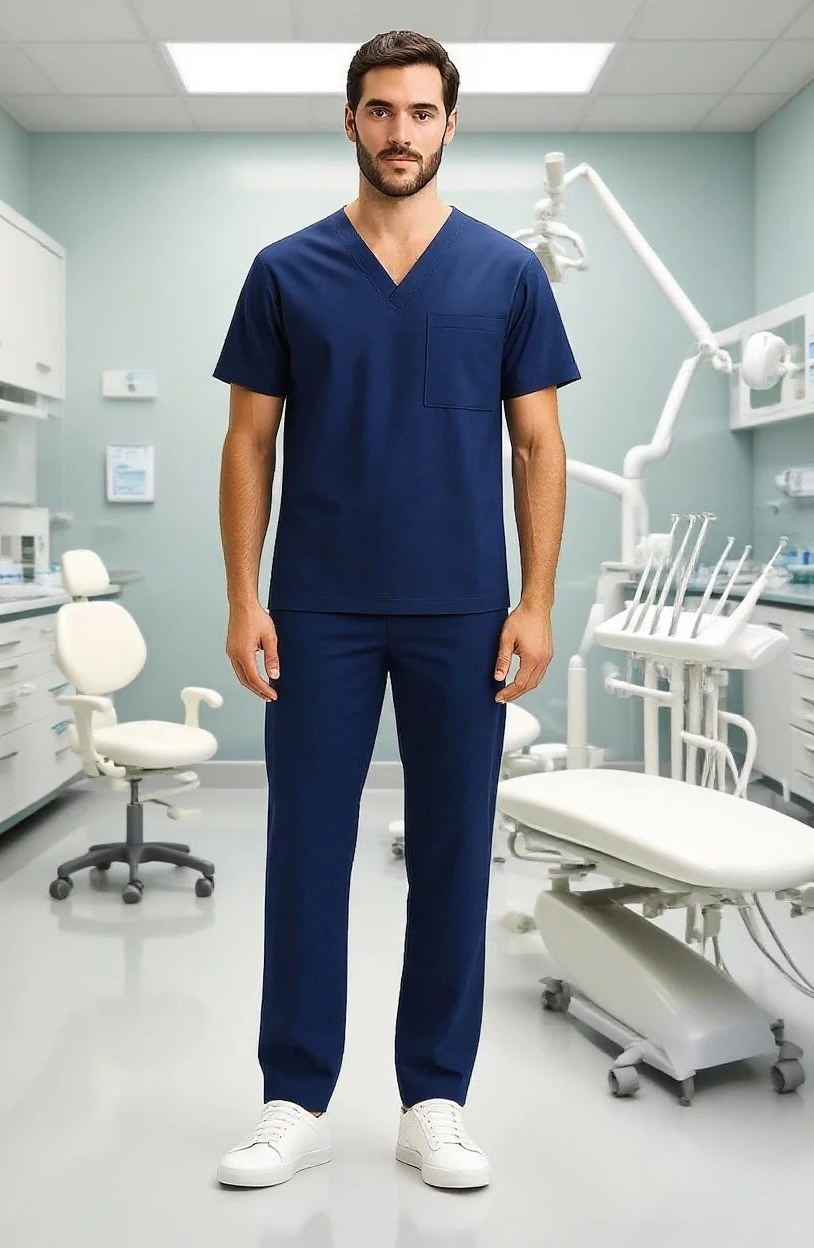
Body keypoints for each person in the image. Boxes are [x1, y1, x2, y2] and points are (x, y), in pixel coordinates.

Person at [213, 30, 580, 1191]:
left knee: (455, 854)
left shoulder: (505, 273)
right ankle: (293, 1096)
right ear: (351, 121)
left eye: (422, 113)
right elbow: (248, 442)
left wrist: (534, 601)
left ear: (449, 127)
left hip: (462, 611)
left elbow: (538, 446)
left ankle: (433, 1097)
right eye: (381, 111)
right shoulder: (287, 270)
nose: (401, 132)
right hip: (316, 606)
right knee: (305, 851)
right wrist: (243, 598)